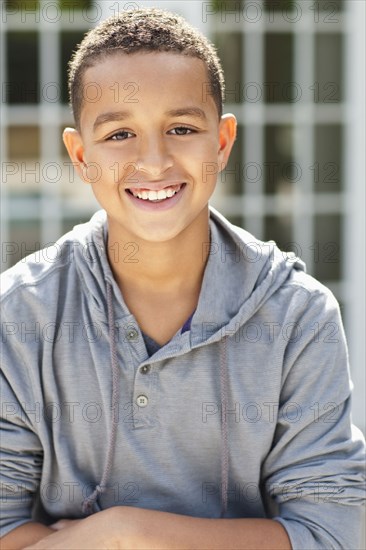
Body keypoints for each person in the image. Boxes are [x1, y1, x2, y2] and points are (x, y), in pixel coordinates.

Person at [1, 8, 365, 550]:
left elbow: (333, 533)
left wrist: (124, 532)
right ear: (80, 156)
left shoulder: (297, 314)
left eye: (182, 129)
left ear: (221, 142)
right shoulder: (20, 313)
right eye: (120, 133)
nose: (154, 161)